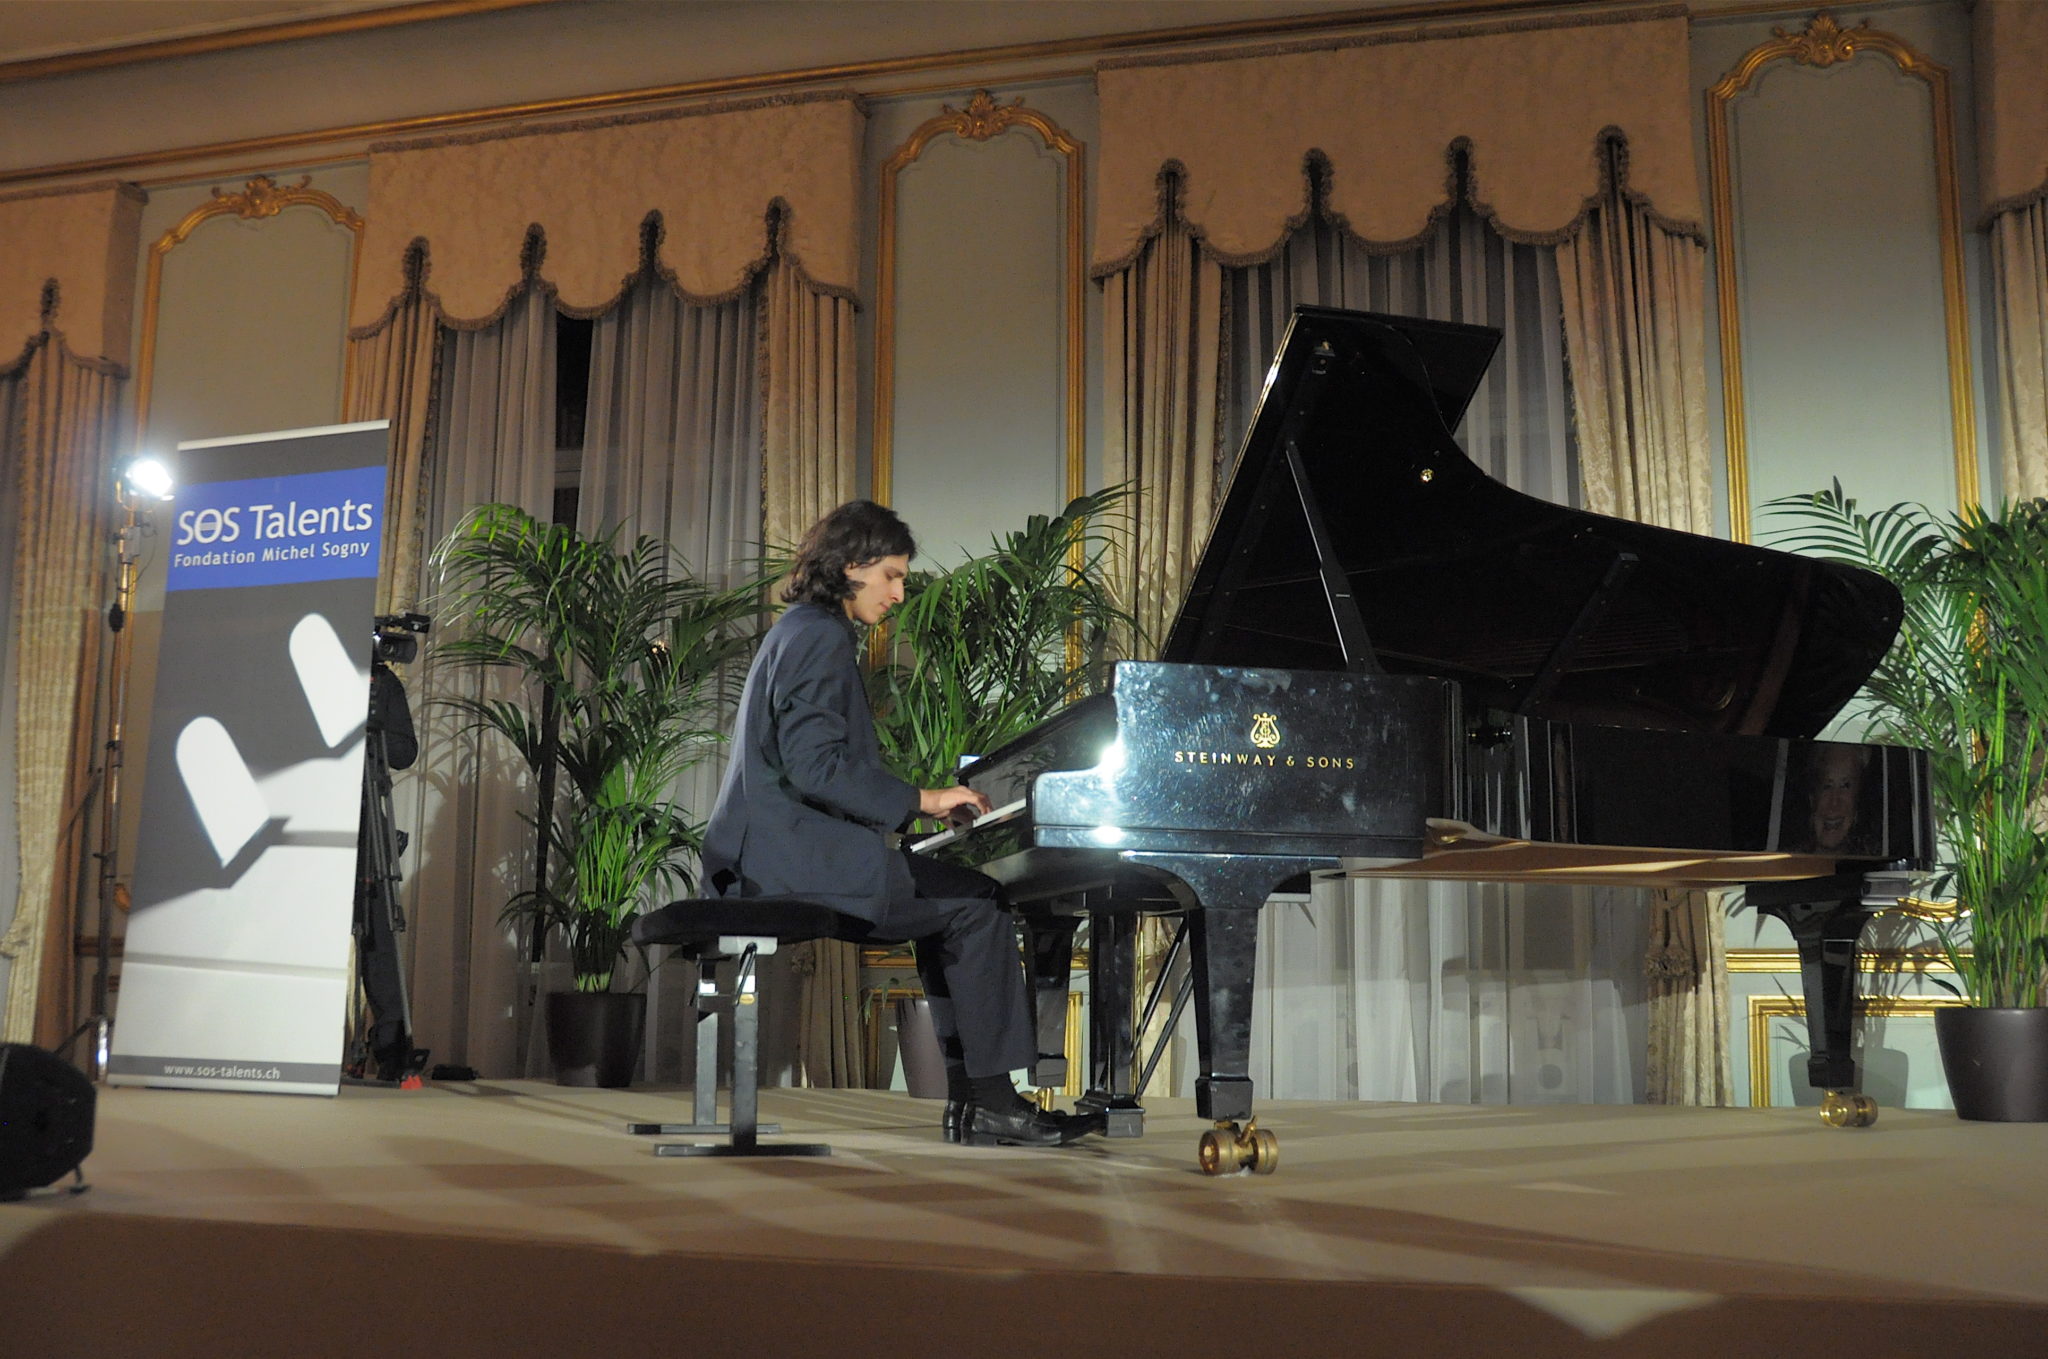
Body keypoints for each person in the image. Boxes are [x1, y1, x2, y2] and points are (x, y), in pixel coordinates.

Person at [701, 500, 1081, 1147]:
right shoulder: (820, 636)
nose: (900, 593)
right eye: (892, 575)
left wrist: (909, 811)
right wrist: (923, 799)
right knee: (979, 903)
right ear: (852, 564)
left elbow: (813, 766)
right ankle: (988, 1102)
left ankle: (975, 1103)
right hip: (790, 862)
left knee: (950, 906)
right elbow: (816, 765)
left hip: (768, 853)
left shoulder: (795, 629)